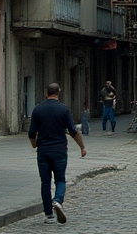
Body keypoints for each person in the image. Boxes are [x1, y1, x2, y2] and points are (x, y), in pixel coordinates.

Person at [29, 82, 86, 224]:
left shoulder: (37, 110)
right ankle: (58, 200)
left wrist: (35, 144)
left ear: (46, 93)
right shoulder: (64, 110)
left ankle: (48, 215)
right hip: (60, 150)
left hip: (43, 151)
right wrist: (82, 147)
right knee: (60, 179)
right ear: (58, 93)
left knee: (45, 182)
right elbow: (73, 131)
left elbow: (31, 133)